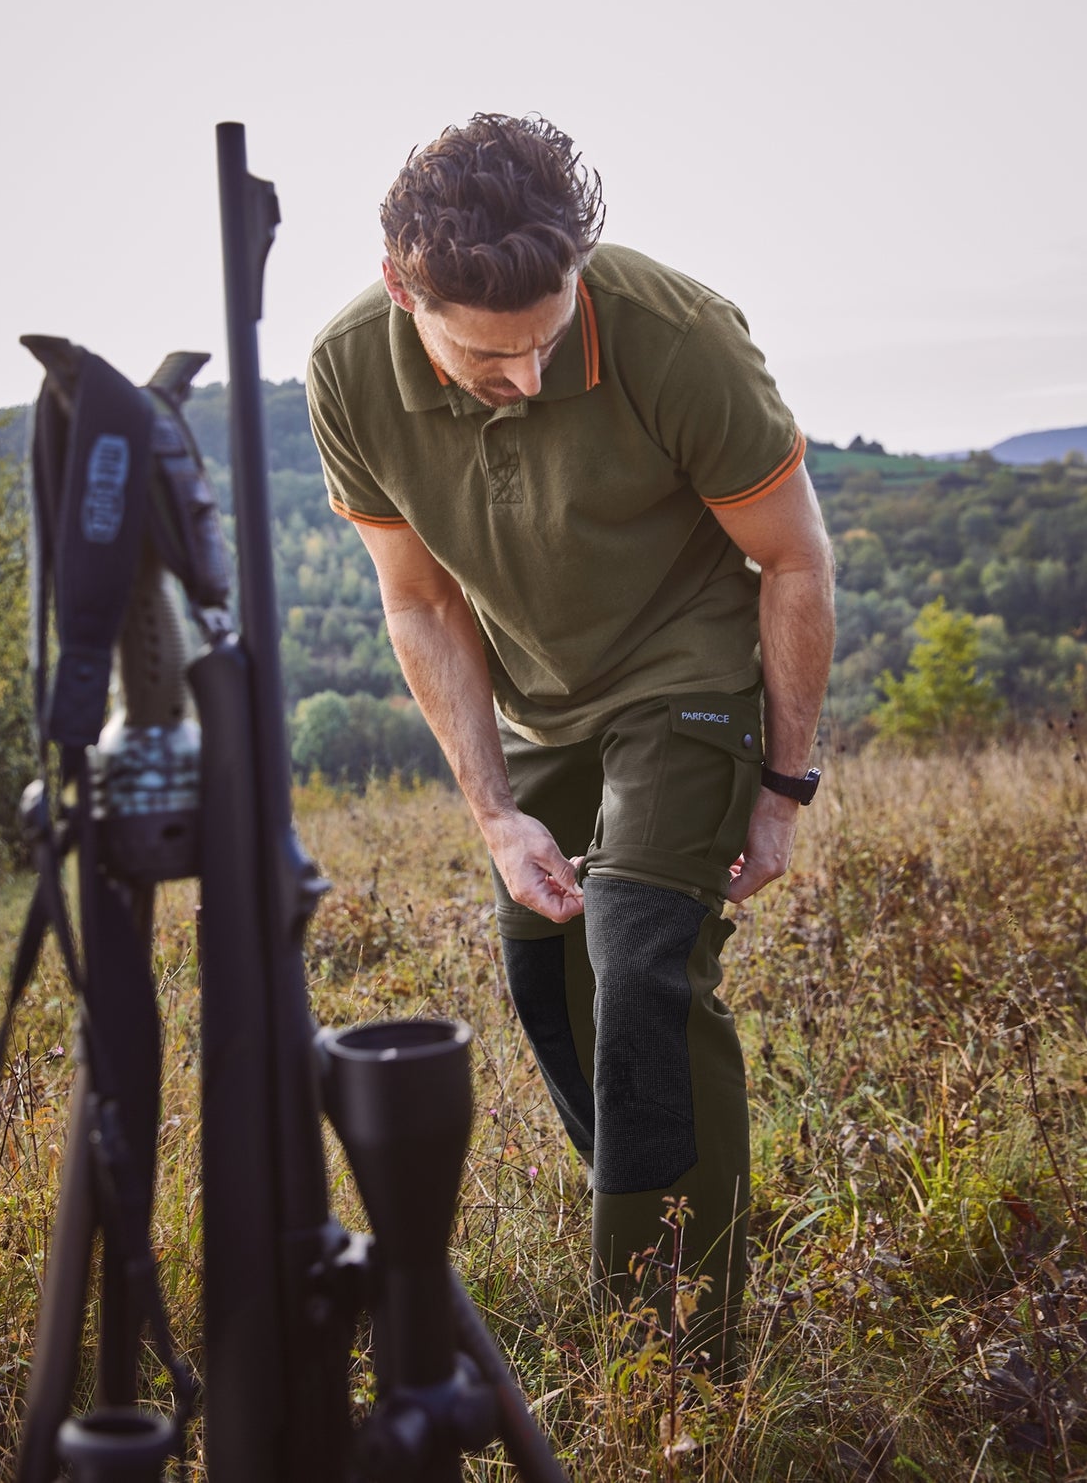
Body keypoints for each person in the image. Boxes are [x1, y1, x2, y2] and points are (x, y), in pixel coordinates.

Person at [306, 112, 836, 1375]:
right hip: (543, 700)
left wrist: (779, 787)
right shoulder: (344, 372)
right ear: (402, 290)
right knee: (546, 977)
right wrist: (493, 812)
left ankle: (669, 1345)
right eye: (491, 357)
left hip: (690, 675)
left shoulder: (678, 336)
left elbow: (792, 558)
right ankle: (649, 1207)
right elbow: (420, 599)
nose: (529, 379)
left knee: (641, 966)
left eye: (547, 340)